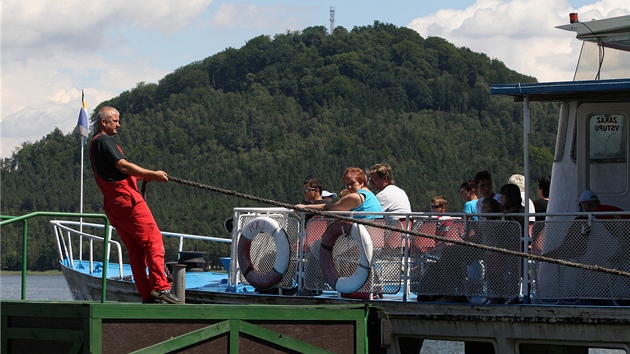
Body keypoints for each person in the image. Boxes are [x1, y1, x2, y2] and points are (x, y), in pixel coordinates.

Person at [89, 106, 181, 304]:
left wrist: (147, 176)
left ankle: (147, 294)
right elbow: (122, 166)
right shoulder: (104, 140)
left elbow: (117, 174)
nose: (118, 124)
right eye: (115, 120)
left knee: (136, 250)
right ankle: (160, 287)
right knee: (153, 241)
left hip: (113, 204)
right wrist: (151, 174)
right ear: (103, 122)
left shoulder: (96, 143)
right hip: (126, 200)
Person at [296, 167, 382, 219]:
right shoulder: (370, 195)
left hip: (359, 236)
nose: (349, 187)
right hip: (374, 236)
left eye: (352, 183)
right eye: (347, 184)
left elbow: (328, 208)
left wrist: (304, 207)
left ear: (362, 183)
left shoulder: (355, 197)